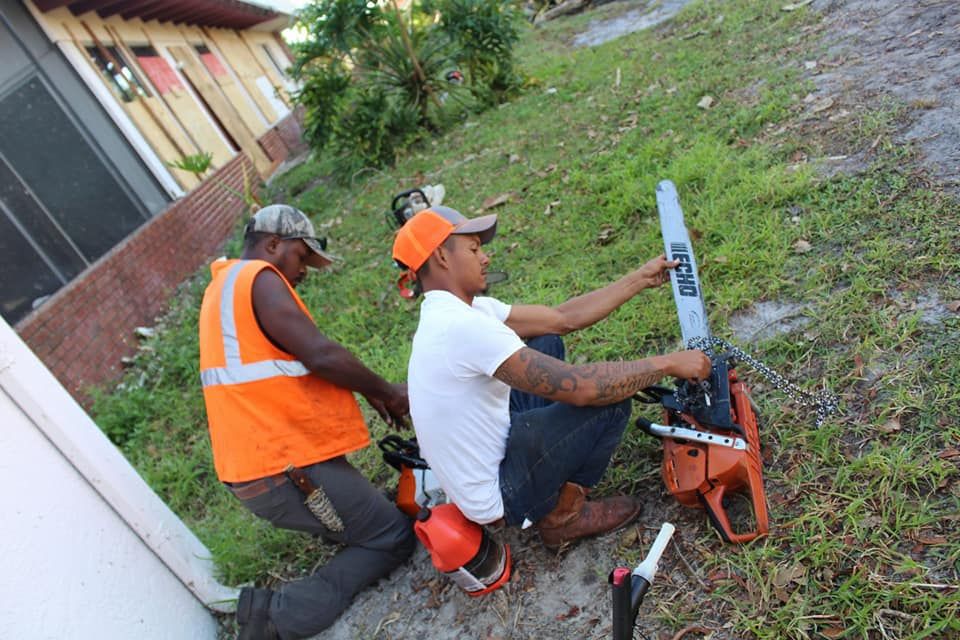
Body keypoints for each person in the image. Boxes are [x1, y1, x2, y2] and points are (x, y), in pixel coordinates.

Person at [392, 206, 711, 551]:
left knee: (546, 342)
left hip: (496, 446)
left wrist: (641, 278)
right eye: (473, 249)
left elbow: (561, 318)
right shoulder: (458, 327)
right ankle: (563, 519)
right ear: (441, 255)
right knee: (610, 400)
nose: (485, 258)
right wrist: (666, 364)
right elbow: (585, 389)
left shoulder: (460, 311)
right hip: (500, 493)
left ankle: (550, 473)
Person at [198, 205, 416, 640]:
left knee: (373, 518)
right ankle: (274, 617)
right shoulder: (258, 278)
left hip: (263, 463)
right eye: (301, 257)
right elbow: (319, 354)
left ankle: (347, 523)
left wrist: (368, 388)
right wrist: (387, 391)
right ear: (273, 244)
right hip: (282, 468)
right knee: (392, 536)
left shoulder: (224, 288)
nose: (304, 272)